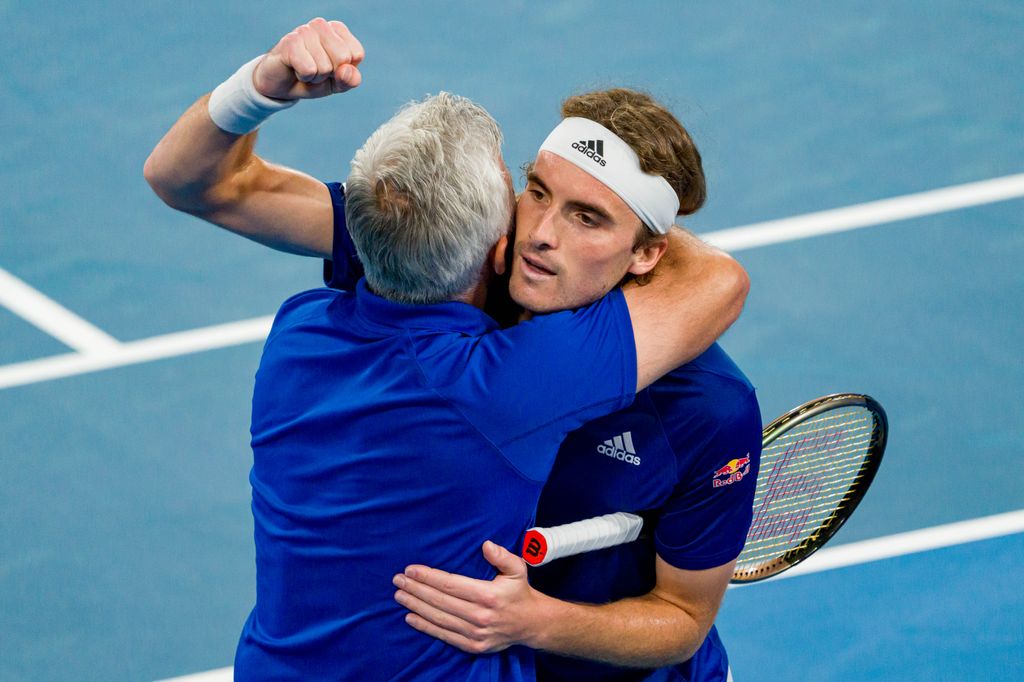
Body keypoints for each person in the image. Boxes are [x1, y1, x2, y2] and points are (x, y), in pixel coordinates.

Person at [143, 18, 748, 682]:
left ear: (650, 252)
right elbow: (210, 186)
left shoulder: (706, 407)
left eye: (588, 217)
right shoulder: (446, 256)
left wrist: (536, 621)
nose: (541, 234)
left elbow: (684, 619)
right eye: (537, 192)